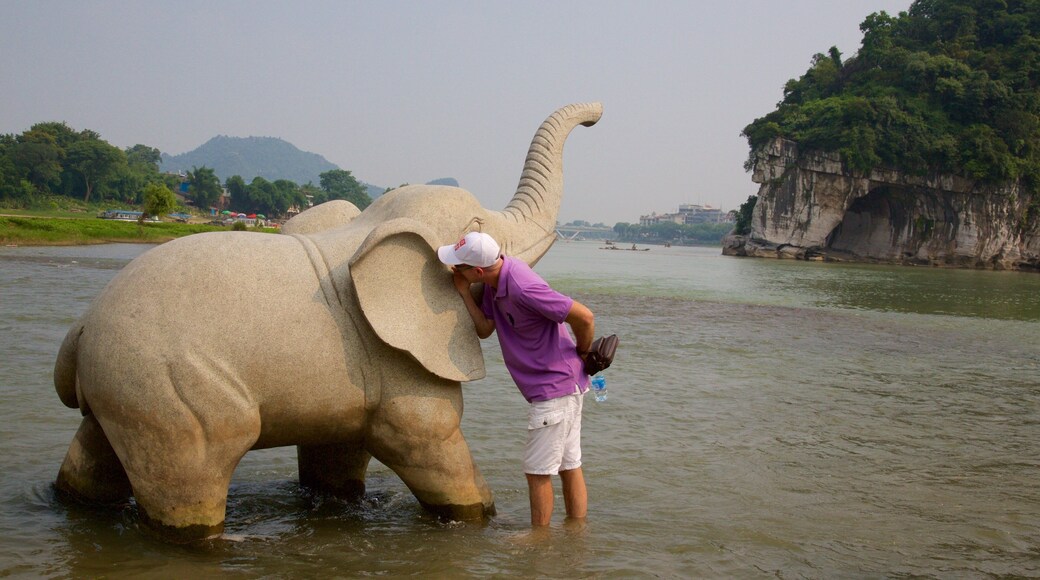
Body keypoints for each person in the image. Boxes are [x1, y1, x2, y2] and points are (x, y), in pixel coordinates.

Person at [438, 231, 595, 527]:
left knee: (537, 472)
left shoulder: (523, 286)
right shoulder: (496, 283)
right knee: (569, 465)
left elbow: (584, 317)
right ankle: (576, 533)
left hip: (554, 389)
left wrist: (585, 353)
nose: (454, 271)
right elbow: (485, 328)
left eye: (459, 267)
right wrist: (462, 291)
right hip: (565, 386)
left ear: (478, 271)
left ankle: (539, 538)